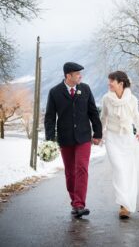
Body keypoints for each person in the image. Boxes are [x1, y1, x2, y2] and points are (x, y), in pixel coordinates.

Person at [44, 62, 102, 218]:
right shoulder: (54, 92)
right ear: (68, 76)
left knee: (82, 168)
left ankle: (79, 204)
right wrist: (50, 139)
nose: (80, 76)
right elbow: (49, 118)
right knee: (70, 173)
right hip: (65, 138)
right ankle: (74, 202)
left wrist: (97, 133)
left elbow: (93, 112)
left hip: (83, 137)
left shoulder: (86, 89)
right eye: (77, 73)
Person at [100, 71, 139, 219]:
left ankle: (125, 205)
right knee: (119, 169)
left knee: (129, 171)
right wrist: (99, 134)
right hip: (112, 137)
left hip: (127, 139)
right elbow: (103, 117)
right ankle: (123, 201)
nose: (109, 83)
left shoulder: (132, 99)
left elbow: (136, 116)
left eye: (112, 81)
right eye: (109, 80)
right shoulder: (106, 98)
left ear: (121, 83)